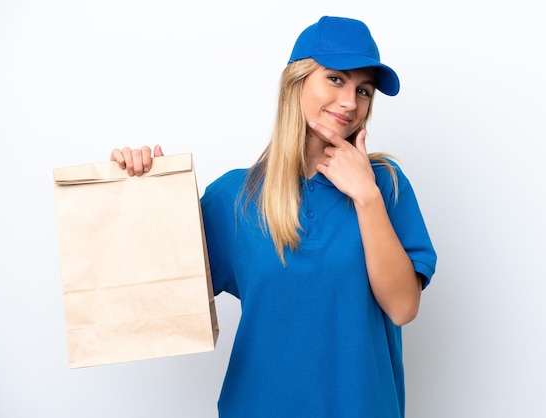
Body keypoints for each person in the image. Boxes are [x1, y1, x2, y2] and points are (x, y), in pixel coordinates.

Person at [111, 15, 436, 418]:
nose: (351, 102)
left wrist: (366, 195)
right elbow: (160, 302)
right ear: (295, 83)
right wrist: (144, 194)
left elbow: (403, 307)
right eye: (336, 79)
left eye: (364, 90)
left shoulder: (385, 185)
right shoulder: (235, 196)